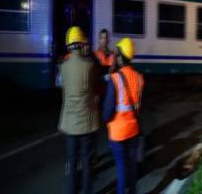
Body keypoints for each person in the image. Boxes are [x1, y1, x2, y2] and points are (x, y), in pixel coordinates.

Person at [58, 26, 100, 194]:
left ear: (69, 45)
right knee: (87, 161)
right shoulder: (90, 65)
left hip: (69, 123)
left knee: (72, 161)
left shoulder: (63, 66)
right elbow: (95, 89)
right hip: (86, 123)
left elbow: (63, 90)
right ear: (81, 44)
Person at [103, 38, 144, 194]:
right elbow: (139, 106)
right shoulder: (140, 78)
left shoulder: (115, 78)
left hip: (117, 134)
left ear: (120, 57)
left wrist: (106, 121)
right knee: (132, 166)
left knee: (121, 169)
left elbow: (107, 112)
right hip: (133, 130)